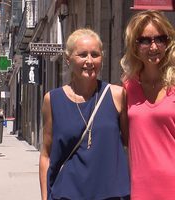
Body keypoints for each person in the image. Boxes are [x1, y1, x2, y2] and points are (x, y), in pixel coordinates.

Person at [39, 28, 130, 200]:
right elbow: (46, 155)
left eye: (95, 54)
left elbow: (131, 146)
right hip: (67, 194)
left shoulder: (117, 95)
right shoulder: (52, 99)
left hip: (111, 195)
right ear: (68, 59)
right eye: (82, 55)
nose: (89, 61)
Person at [121, 10, 175, 200]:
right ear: (135, 46)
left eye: (160, 39)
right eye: (145, 40)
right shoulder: (127, 88)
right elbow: (124, 139)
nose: (153, 46)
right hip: (138, 189)